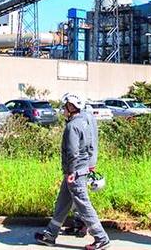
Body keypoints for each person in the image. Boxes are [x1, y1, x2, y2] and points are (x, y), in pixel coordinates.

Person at [35, 93, 110, 250]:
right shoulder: (84, 121)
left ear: (70, 107)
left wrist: (71, 172)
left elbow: (72, 153)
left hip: (75, 172)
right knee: (62, 204)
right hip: (80, 169)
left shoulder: (71, 127)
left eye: (65, 107)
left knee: (83, 204)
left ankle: (101, 238)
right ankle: (50, 235)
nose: (63, 110)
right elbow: (90, 146)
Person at [61, 101, 101, 238]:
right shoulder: (83, 118)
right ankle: (53, 232)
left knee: (81, 198)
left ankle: (90, 230)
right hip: (81, 164)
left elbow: (87, 144)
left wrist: (90, 163)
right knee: (70, 198)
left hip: (79, 166)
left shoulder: (81, 120)